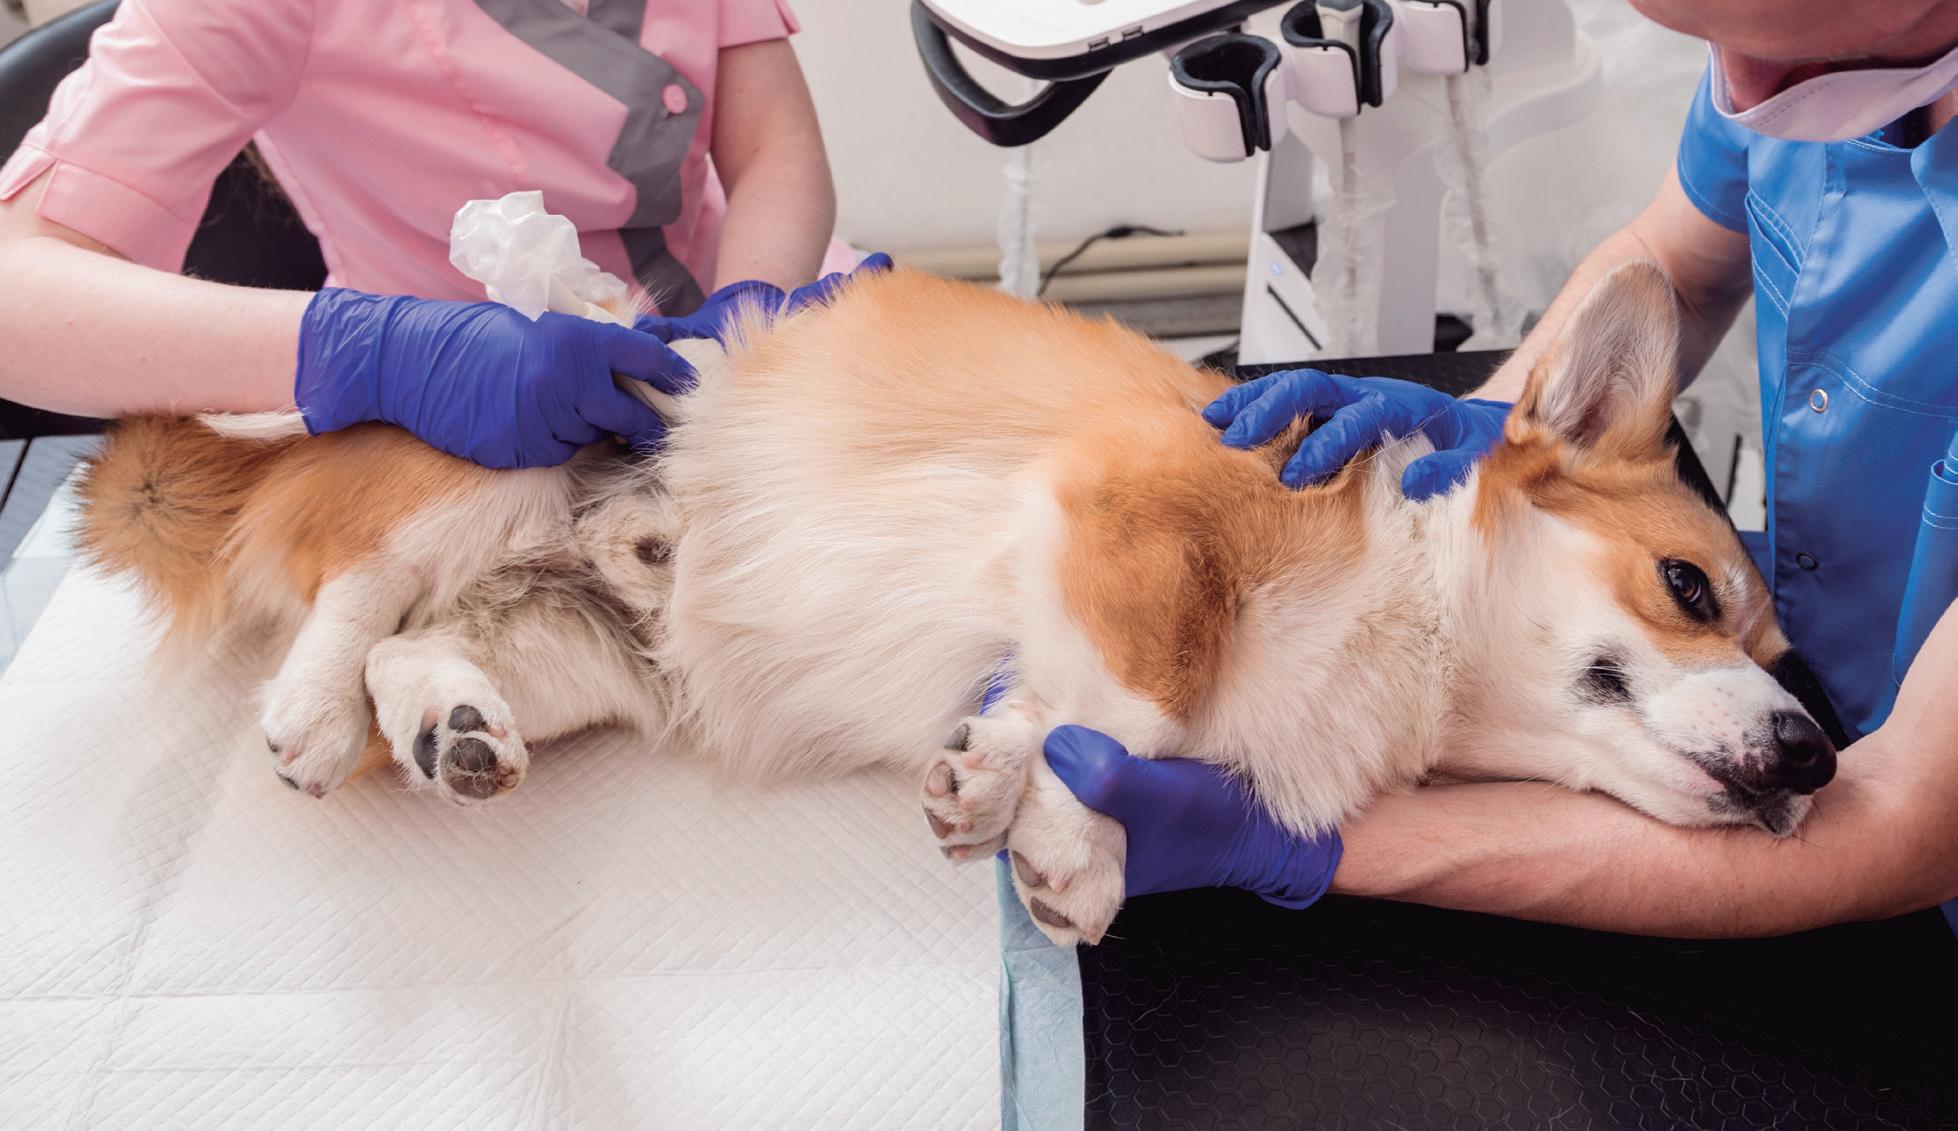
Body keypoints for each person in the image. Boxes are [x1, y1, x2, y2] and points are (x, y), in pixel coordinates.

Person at [1049, 0, 1958, 937]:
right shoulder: (1787, 46)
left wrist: (1300, 837)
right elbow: (1673, 266)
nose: (1741, 92)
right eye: (1711, 42)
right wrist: (1518, 438)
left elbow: (1905, 820)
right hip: (1816, 655)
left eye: (1795, 53)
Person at [0, 0, 877, 468]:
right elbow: (17, 294)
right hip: (466, 431)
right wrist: (387, 354)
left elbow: (774, 148)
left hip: (758, 342)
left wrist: (750, 319)